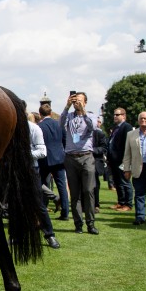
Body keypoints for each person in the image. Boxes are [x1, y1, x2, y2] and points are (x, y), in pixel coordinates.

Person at [60, 92, 99, 235]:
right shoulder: (69, 116)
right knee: (75, 193)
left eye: (80, 101)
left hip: (86, 156)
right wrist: (67, 106)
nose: (77, 103)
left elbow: (92, 127)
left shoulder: (91, 115)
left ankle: (91, 223)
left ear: (85, 103)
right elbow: (60, 123)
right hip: (71, 157)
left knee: (88, 191)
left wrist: (82, 111)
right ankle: (78, 224)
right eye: (76, 101)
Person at [28, 111, 60, 249]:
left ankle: (49, 235)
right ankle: (17, 236)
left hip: (31, 169)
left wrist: (23, 155)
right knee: (17, 204)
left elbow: (42, 151)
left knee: (38, 204)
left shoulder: (34, 128)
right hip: (15, 170)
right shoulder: (10, 129)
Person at [37, 103, 70, 220]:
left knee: (41, 184)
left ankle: (43, 208)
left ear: (40, 114)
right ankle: (65, 212)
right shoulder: (59, 125)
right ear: (50, 113)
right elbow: (65, 140)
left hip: (45, 159)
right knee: (62, 187)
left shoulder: (39, 126)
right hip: (59, 159)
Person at [108, 107, 134, 212]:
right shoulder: (116, 127)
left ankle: (128, 204)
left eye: (117, 115)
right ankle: (121, 202)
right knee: (118, 182)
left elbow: (127, 144)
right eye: (114, 114)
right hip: (114, 160)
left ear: (124, 116)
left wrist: (125, 159)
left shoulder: (126, 127)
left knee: (125, 182)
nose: (115, 116)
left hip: (122, 159)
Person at [91, 117, 108, 213]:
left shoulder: (99, 134)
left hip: (95, 161)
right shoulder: (80, 134)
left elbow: (104, 148)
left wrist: (91, 150)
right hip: (82, 161)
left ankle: (95, 204)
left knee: (95, 184)